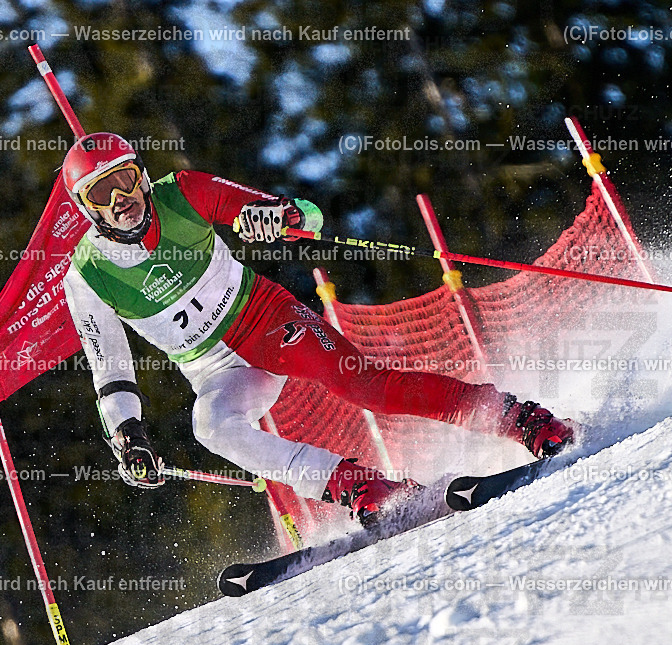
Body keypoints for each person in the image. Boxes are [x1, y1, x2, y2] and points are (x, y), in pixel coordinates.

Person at [61, 132, 574, 527]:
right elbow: (110, 365)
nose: (120, 197)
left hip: (264, 320)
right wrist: (127, 433)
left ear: (142, 176)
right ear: (86, 208)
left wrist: (276, 216)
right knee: (210, 426)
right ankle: (362, 486)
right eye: (101, 191)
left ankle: (519, 418)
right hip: (214, 371)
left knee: (364, 385)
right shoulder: (86, 277)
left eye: (126, 178)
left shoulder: (184, 193)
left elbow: (307, 215)